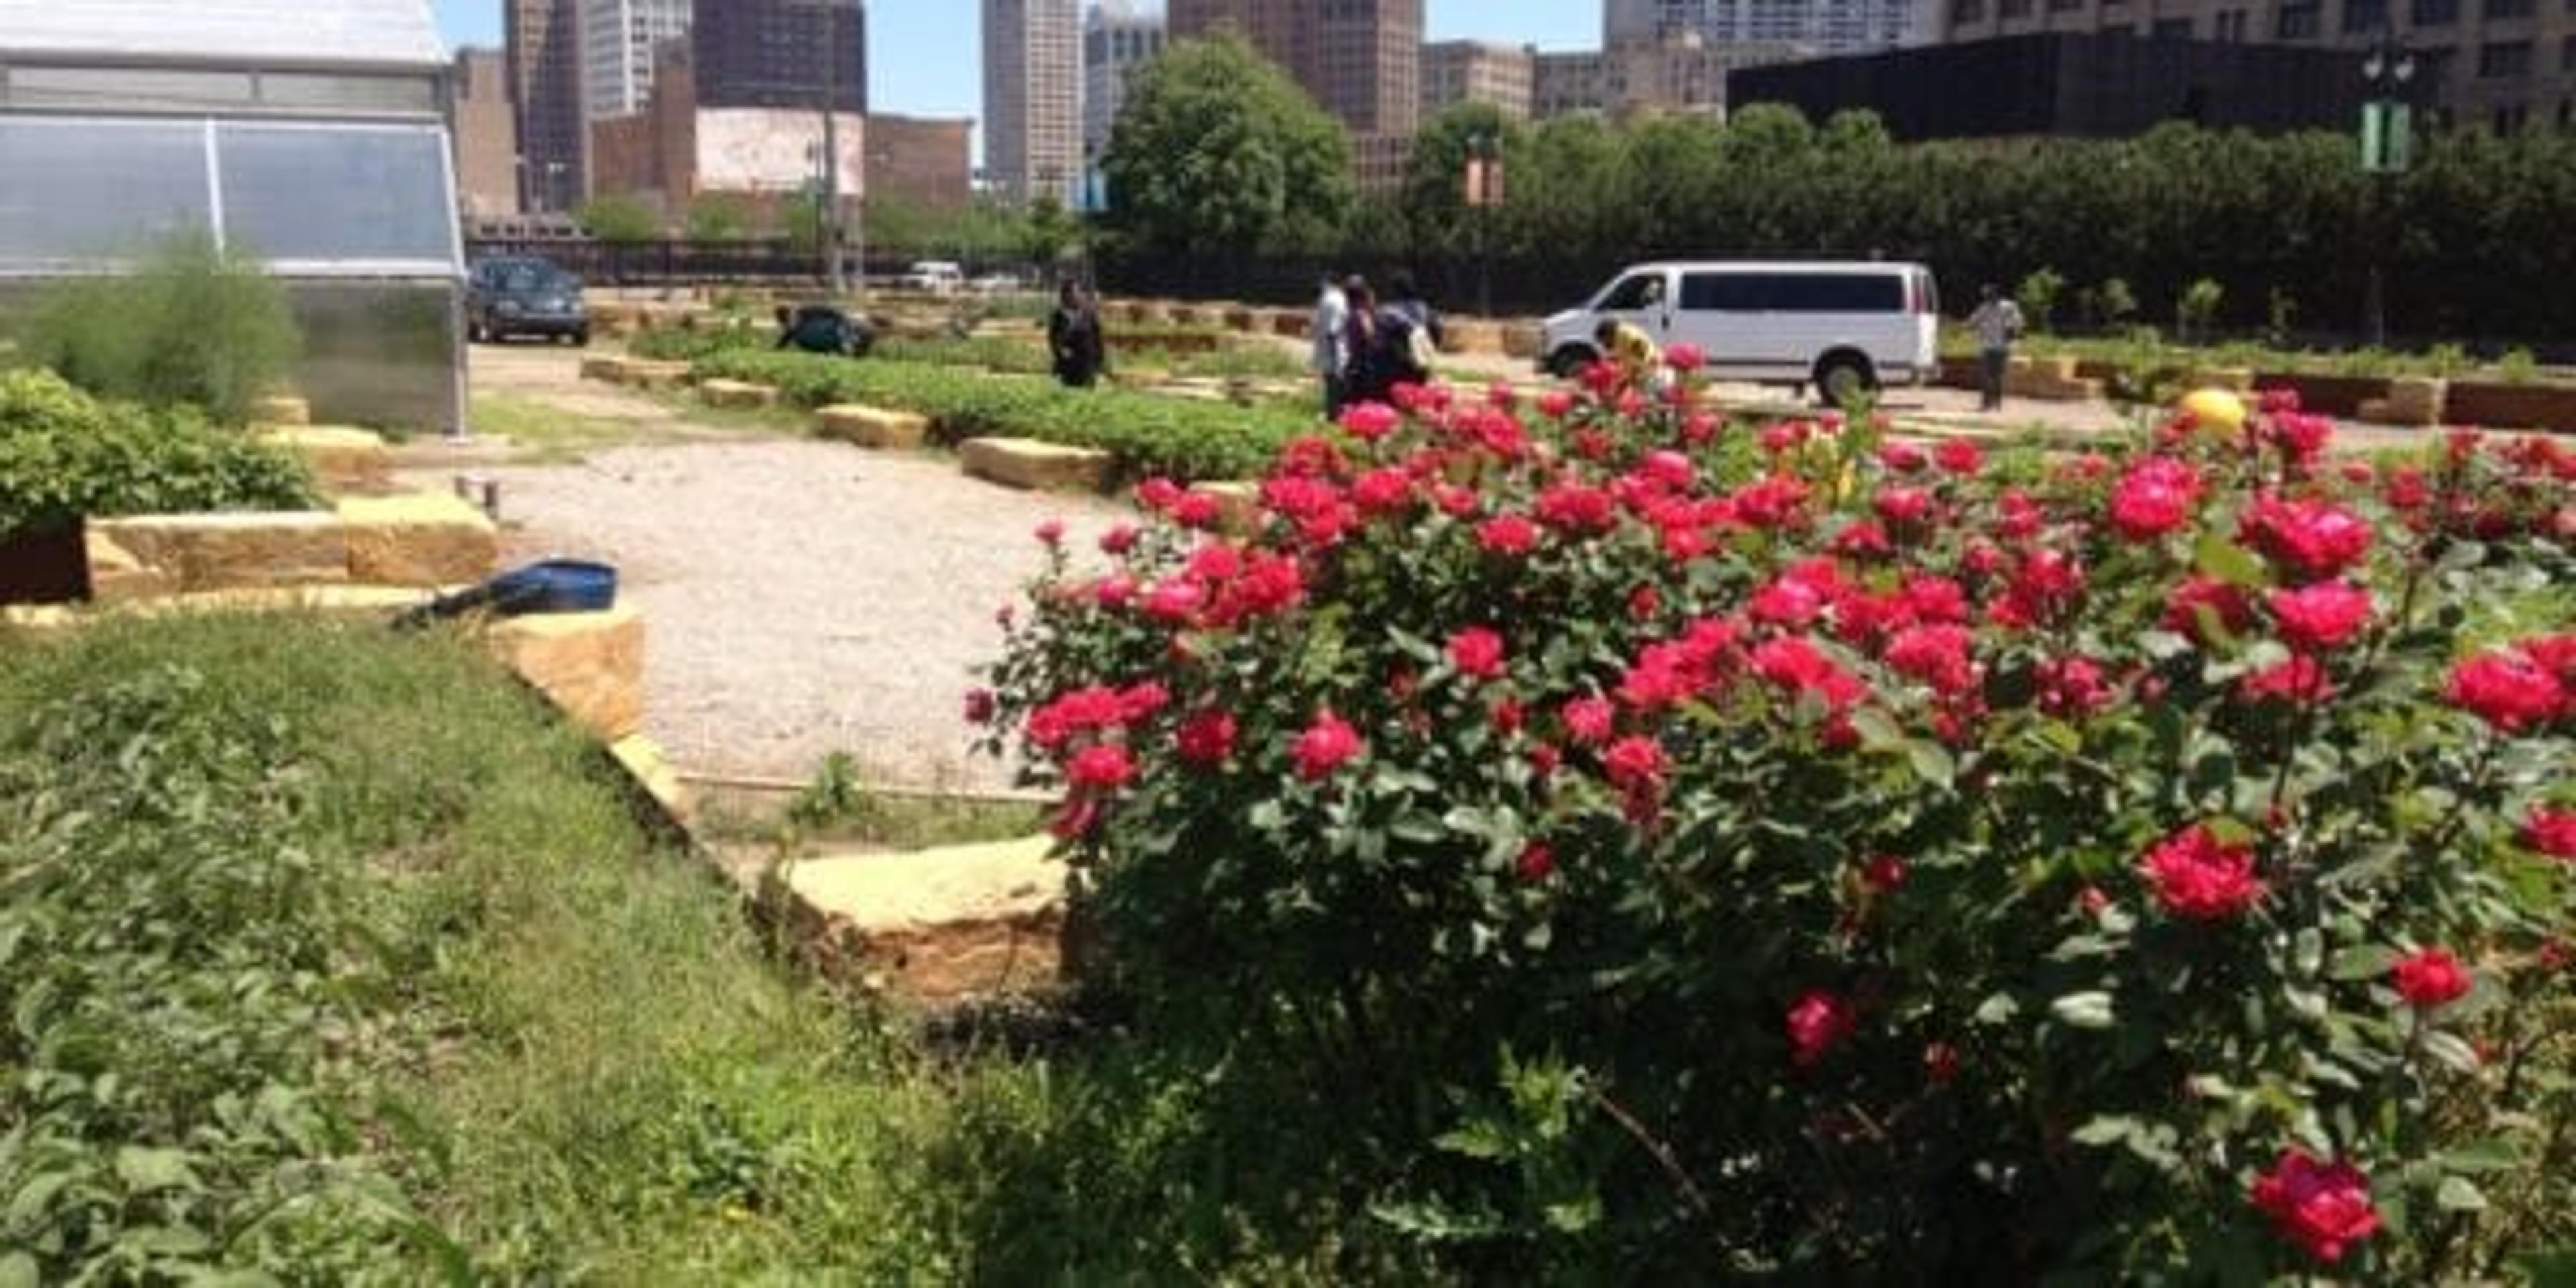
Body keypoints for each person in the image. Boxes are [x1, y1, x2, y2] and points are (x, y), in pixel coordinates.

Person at [1968, 283, 2025, 413]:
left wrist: (2012, 330)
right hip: (1987, 346)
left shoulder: (2009, 306)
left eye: (1989, 294)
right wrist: (1972, 326)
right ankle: (1986, 403)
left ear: (1996, 294)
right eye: (1986, 295)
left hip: (2003, 346)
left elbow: (2019, 322)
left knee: (1998, 376)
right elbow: (1973, 321)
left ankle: (1997, 402)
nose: (1987, 297)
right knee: (1986, 376)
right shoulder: (1984, 307)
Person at [1047, 280, 1106, 389]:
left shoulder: (1089, 312)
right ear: (1064, 295)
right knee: (1069, 394)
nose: (1074, 296)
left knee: (1088, 395)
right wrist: (1060, 351)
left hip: (1087, 362)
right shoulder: (1059, 315)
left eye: (1076, 292)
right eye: (1070, 293)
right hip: (1069, 364)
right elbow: (1053, 338)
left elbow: (1098, 337)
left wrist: (1100, 362)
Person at [1311, 272, 1351, 417]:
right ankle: (1334, 414)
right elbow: (1333, 331)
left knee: (1330, 383)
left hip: (1327, 349)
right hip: (1335, 350)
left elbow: (1316, 325)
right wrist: (1336, 358)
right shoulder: (1338, 299)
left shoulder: (1325, 299)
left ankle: (1331, 412)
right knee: (1335, 383)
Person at [775, 303, 873, 358]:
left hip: (837, 326)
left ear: (792, 313)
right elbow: (787, 337)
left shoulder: (807, 311)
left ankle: (848, 349)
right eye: (785, 323)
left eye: (789, 319)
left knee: (843, 338)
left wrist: (841, 318)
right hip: (829, 338)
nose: (789, 324)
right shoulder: (795, 329)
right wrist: (777, 350)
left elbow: (829, 310)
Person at [1594, 317, 1660, 386]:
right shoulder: (1621, 335)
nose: (1603, 345)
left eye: (1603, 341)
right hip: (1648, 366)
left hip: (1651, 368)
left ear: (1607, 335)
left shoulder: (1623, 335)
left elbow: (1641, 354)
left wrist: (1634, 374)